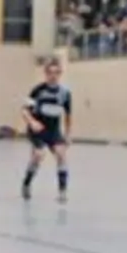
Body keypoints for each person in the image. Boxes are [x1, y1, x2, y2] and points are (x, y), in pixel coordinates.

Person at [20, 58, 72, 202]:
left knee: (61, 155)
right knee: (38, 155)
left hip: (53, 131)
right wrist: (32, 122)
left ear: (60, 73)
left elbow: (68, 115)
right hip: (38, 130)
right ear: (46, 73)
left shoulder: (65, 93)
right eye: (50, 72)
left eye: (56, 72)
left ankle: (62, 191)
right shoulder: (37, 90)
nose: (53, 75)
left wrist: (67, 135)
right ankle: (26, 184)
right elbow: (24, 110)